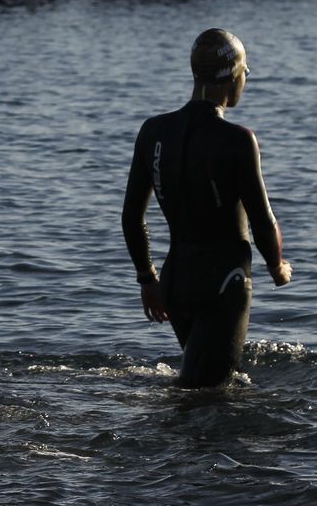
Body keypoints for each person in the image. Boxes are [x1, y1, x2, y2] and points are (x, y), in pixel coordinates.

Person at [121, 29, 293, 388]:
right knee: (210, 397)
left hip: (175, 280)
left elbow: (132, 217)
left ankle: (174, 444)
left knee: (195, 387)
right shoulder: (237, 140)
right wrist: (277, 266)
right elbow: (263, 220)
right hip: (224, 282)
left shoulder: (153, 130)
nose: (245, 79)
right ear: (233, 76)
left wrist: (147, 278)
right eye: (245, 72)